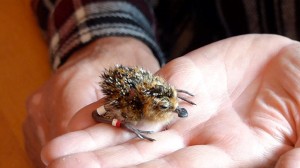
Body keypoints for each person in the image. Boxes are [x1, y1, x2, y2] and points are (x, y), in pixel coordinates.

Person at [24, 0, 300, 167]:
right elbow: (105, 112)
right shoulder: (136, 107)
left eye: (175, 106)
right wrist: (106, 34)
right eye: (175, 106)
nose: (180, 111)